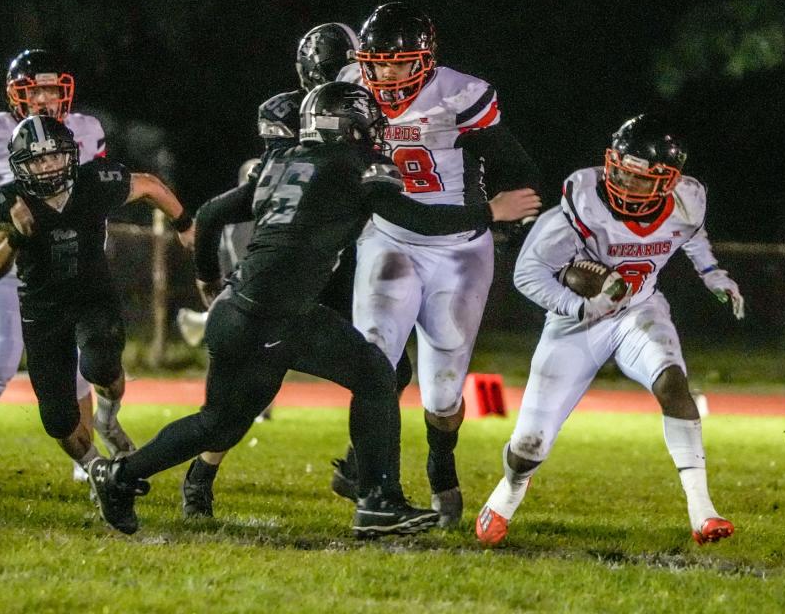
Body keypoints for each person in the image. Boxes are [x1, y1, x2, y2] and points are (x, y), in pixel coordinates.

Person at [86, 81, 541, 537]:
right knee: (376, 375)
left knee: (217, 421)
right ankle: (377, 500)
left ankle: (119, 476)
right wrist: (489, 211)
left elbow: (206, 216)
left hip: (237, 308)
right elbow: (415, 218)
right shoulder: (354, 164)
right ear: (354, 126)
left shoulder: (278, 162)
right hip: (279, 314)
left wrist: (208, 279)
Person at [175, 22, 414, 519]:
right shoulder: (289, 117)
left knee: (388, 366)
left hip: (338, 256)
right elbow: (267, 193)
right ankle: (202, 472)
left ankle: (363, 472)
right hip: (293, 263)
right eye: (343, 72)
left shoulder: (364, 116)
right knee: (251, 391)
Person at [475, 114, 744, 547]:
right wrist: (581, 305)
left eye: (637, 178)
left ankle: (703, 511)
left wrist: (713, 273)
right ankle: (508, 492)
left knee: (673, 383)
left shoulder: (686, 202)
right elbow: (527, 275)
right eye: (619, 169)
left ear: (667, 182)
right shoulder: (580, 207)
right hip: (575, 324)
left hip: (639, 309)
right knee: (528, 446)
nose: (622, 182)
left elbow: (690, 234)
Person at [330, 2, 541, 527]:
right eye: (375, 63)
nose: (384, 74)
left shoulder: (461, 95)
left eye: (397, 63)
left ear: (424, 60)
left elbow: (516, 166)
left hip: (459, 250)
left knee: (443, 392)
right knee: (374, 361)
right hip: (389, 239)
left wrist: (517, 222)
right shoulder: (353, 85)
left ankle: (440, 465)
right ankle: (378, 492)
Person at [0, 49, 126, 482]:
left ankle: (85, 460)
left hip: (58, 271)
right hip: (3, 270)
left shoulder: (85, 132)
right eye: (38, 91)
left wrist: (92, 253)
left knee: (77, 370)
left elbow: (95, 202)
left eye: (53, 89)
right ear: (18, 96)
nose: (47, 99)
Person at [0, 115, 194, 486]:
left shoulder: (94, 182)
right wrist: (15, 234)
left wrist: (185, 225)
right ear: (20, 166)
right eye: (37, 160)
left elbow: (150, 186)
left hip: (93, 295)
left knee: (102, 367)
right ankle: (99, 470)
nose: (47, 166)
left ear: (70, 156)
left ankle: (107, 419)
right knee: (58, 420)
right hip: (43, 310)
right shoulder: (9, 202)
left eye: (54, 157)